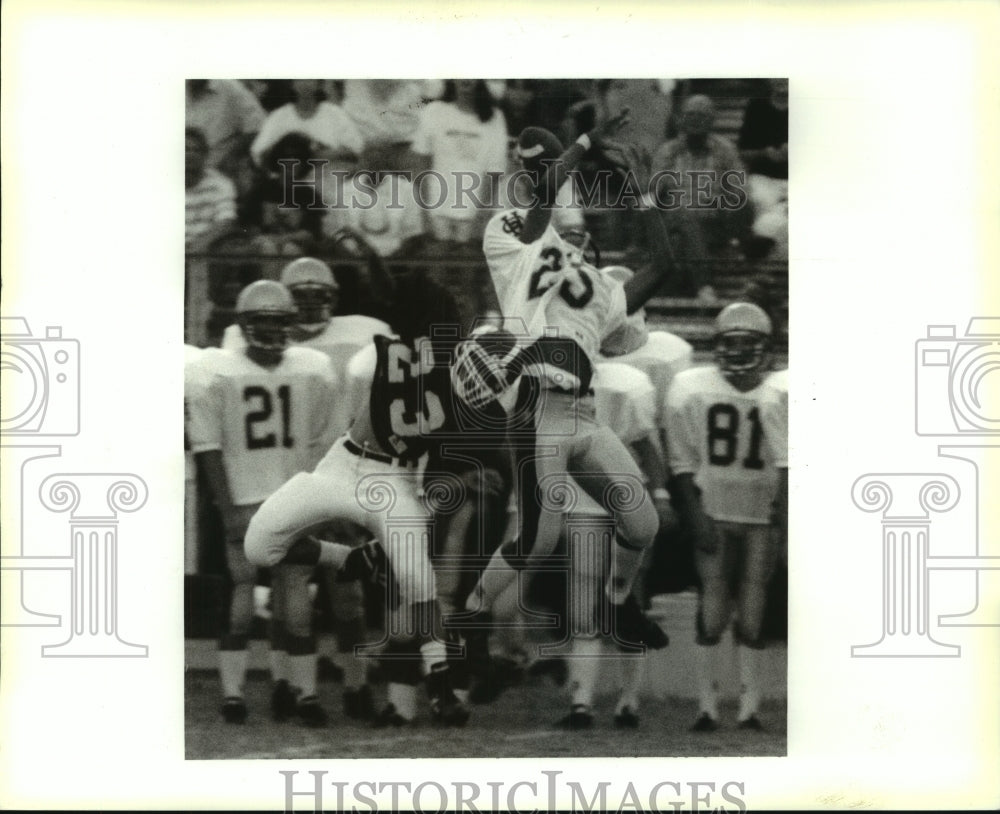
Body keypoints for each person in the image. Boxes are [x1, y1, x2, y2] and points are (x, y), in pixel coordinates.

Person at [459, 119, 679, 669]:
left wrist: (646, 193)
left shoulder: (601, 290)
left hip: (584, 410)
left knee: (643, 523)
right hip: (537, 404)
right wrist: (579, 144)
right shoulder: (510, 233)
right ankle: (471, 622)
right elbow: (538, 216)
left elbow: (665, 266)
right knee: (537, 538)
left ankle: (616, 606)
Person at [244, 270, 474, 727]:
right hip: (343, 464)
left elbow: (446, 444)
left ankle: (441, 681)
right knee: (260, 545)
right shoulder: (381, 356)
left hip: (396, 480)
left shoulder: (454, 369)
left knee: (418, 581)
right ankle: (351, 559)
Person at [187, 280, 339, 726]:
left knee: (266, 598)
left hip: (262, 500)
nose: (274, 331)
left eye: (280, 322)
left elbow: (209, 447)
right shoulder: (313, 368)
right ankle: (290, 693)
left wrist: (228, 507)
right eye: (265, 322)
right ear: (245, 324)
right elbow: (319, 446)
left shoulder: (214, 370)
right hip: (283, 501)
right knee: (279, 597)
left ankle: (254, 694)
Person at [665, 302, 788, 732]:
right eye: (729, 343)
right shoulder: (692, 387)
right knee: (713, 608)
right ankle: (707, 706)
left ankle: (750, 707)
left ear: (767, 347)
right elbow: (680, 464)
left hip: (762, 517)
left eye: (746, 343)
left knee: (753, 611)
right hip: (715, 510)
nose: (737, 352)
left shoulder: (783, 390)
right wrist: (694, 514)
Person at [410, 80, 509, 246]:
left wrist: (481, 217)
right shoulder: (433, 111)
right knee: (436, 268)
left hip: (473, 215)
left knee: (468, 267)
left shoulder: (495, 117)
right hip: (435, 211)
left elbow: (494, 172)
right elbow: (420, 164)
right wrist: (423, 212)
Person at [185, 128, 238, 252]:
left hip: (204, 252)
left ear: (205, 156)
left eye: (196, 150)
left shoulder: (221, 184)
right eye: (185, 149)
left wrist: (195, 249)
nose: (190, 154)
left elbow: (226, 221)